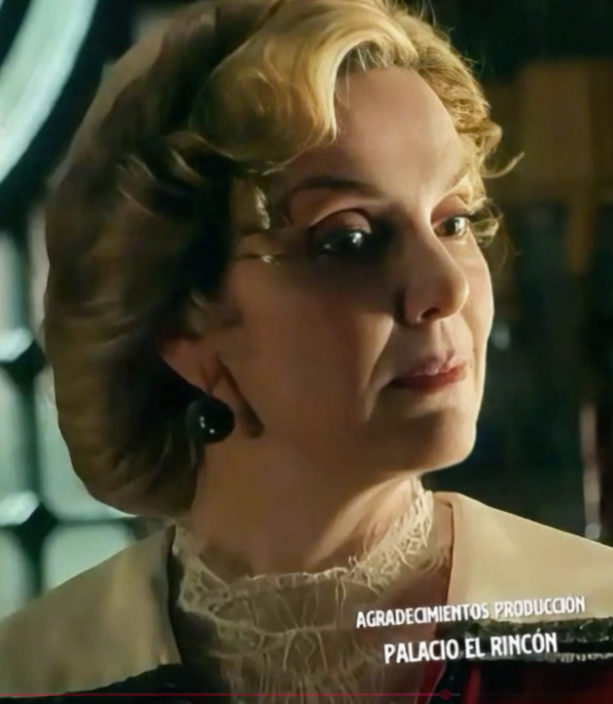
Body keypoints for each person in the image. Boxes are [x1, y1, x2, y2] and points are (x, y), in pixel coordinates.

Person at [1, 0, 613, 701]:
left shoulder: (593, 631)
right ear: (183, 326)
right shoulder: (33, 676)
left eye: (453, 221)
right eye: (348, 239)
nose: (446, 287)